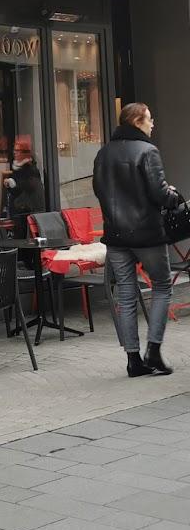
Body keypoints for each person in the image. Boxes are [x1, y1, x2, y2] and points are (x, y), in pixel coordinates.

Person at [92, 102, 180, 377]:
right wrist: (174, 196)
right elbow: (159, 193)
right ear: (138, 120)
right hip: (147, 235)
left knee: (127, 295)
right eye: (150, 119)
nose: (153, 124)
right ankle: (153, 351)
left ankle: (133, 360)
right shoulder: (148, 151)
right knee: (163, 287)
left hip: (116, 236)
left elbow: (99, 190)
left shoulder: (103, 153)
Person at [3, 135, 46, 232]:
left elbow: (28, 187)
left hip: (27, 212)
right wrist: (10, 185)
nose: (15, 153)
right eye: (14, 150)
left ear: (24, 153)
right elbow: (16, 190)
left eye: (17, 151)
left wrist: (13, 183)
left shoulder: (30, 169)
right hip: (19, 212)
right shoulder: (17, 167)